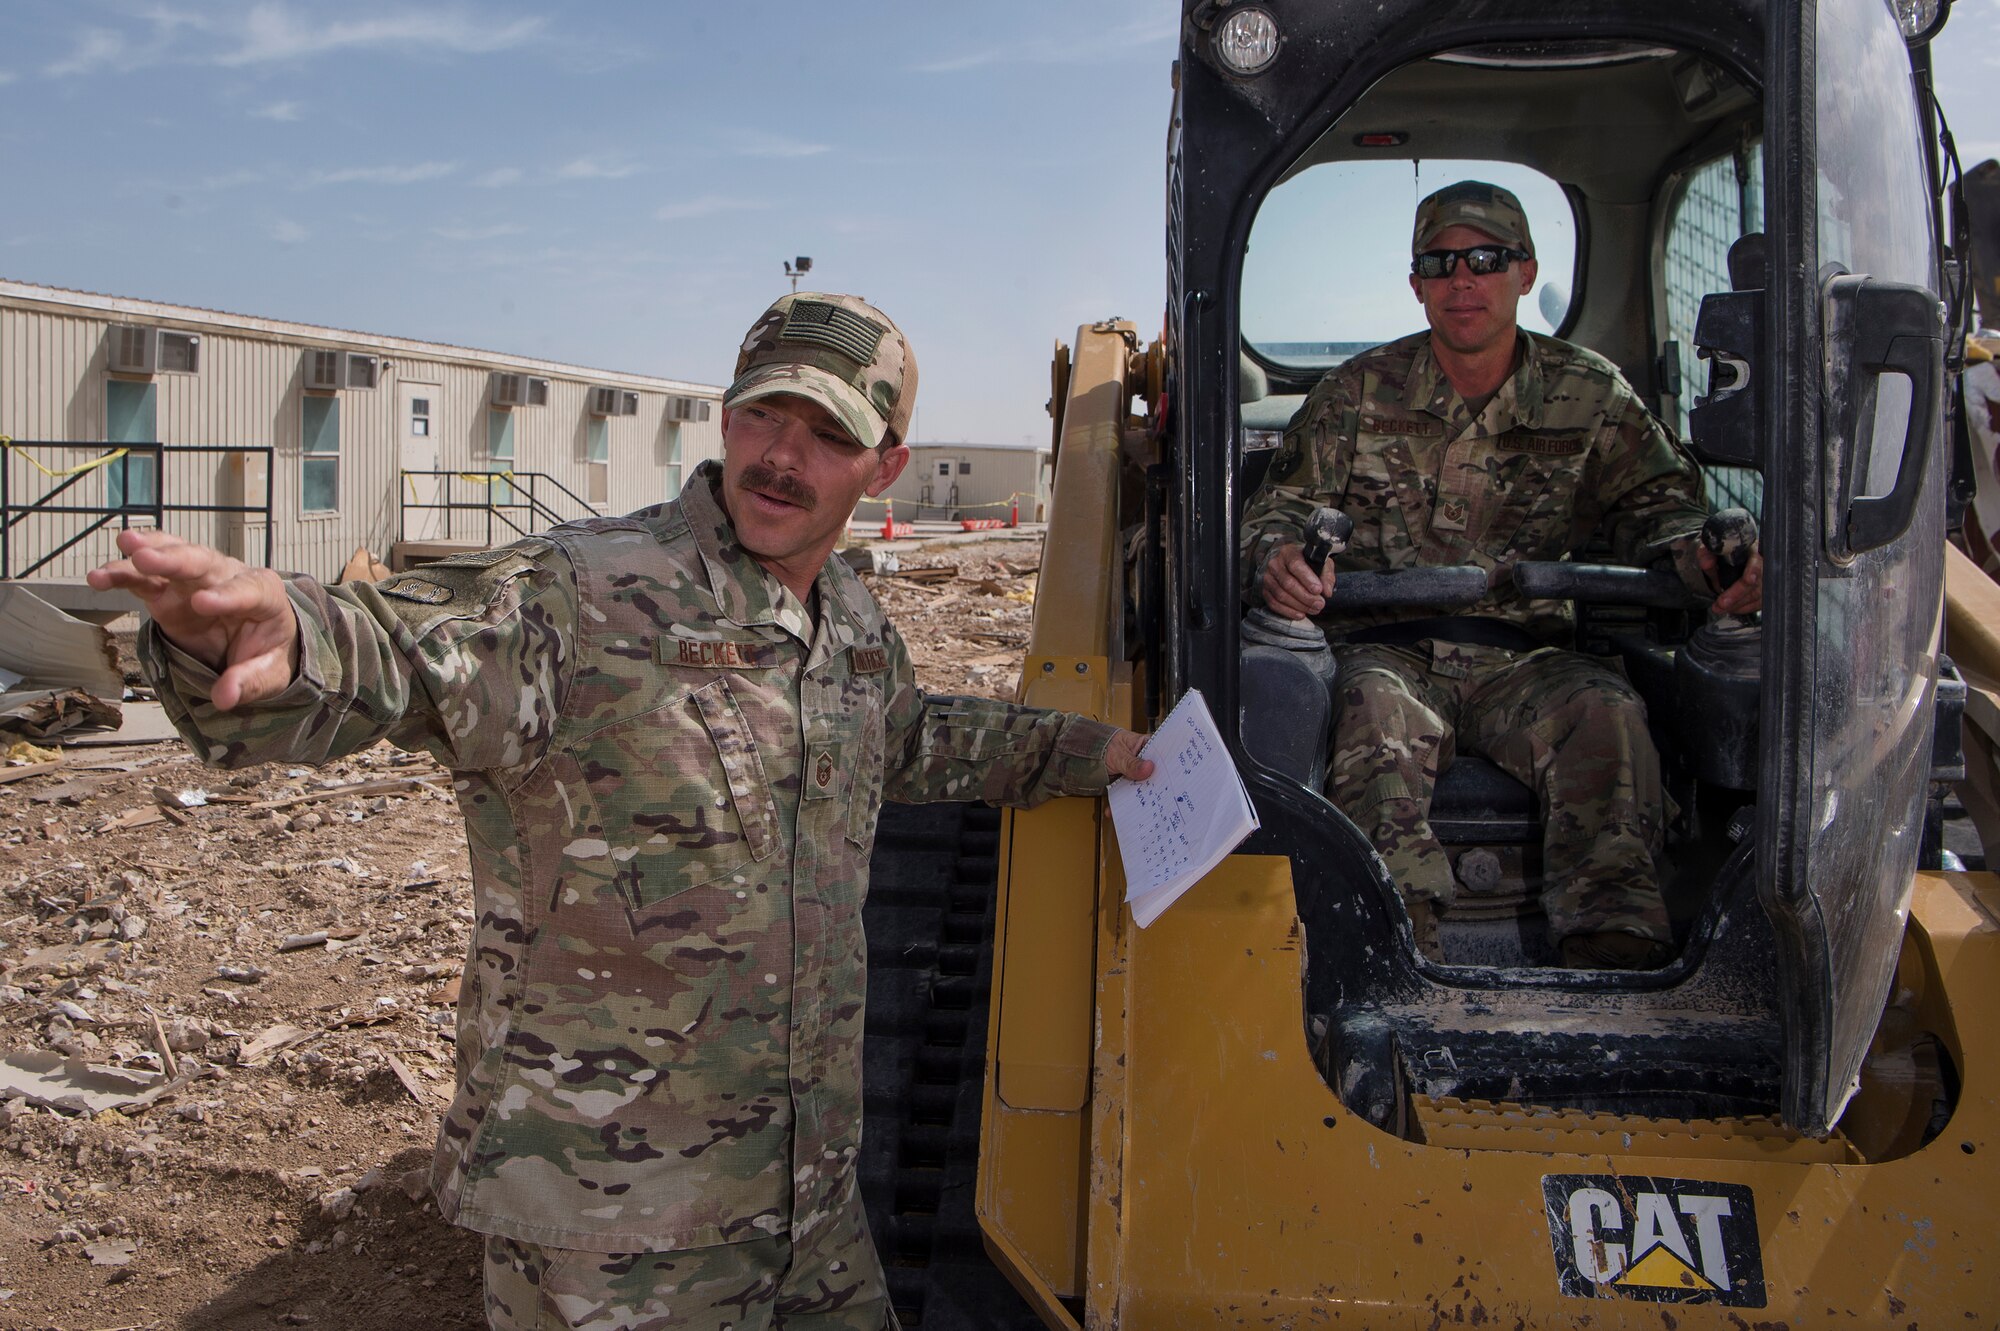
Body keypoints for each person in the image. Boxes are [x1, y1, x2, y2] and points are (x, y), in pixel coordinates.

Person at [89, 292, 1153, 1331]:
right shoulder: (578, 593)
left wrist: (1085, 750)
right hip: (617, 1222)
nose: (783, 455)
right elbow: (404, 653)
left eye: (828, 434)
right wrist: (273, 631)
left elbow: (909, 735)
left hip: (807, 1194)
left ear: (884, 468)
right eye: (764, 415)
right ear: (725, 416)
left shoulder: (850, 620)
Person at [1239, 181, 1763, 970]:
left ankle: (1617, 952)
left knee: (1610, 712)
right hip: (1393, 652)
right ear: (1415, 283)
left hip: (1534, 658)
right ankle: (1392, 952)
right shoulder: (1353, 395)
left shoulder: (1591, 396)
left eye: (1485, 259)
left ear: (1524, 271)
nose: (1463, 280)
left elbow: (1659, 510)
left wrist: (1704, 558)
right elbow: (1278, 514)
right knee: (1370, 711)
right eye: (1441, 262)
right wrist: (1278, 561)